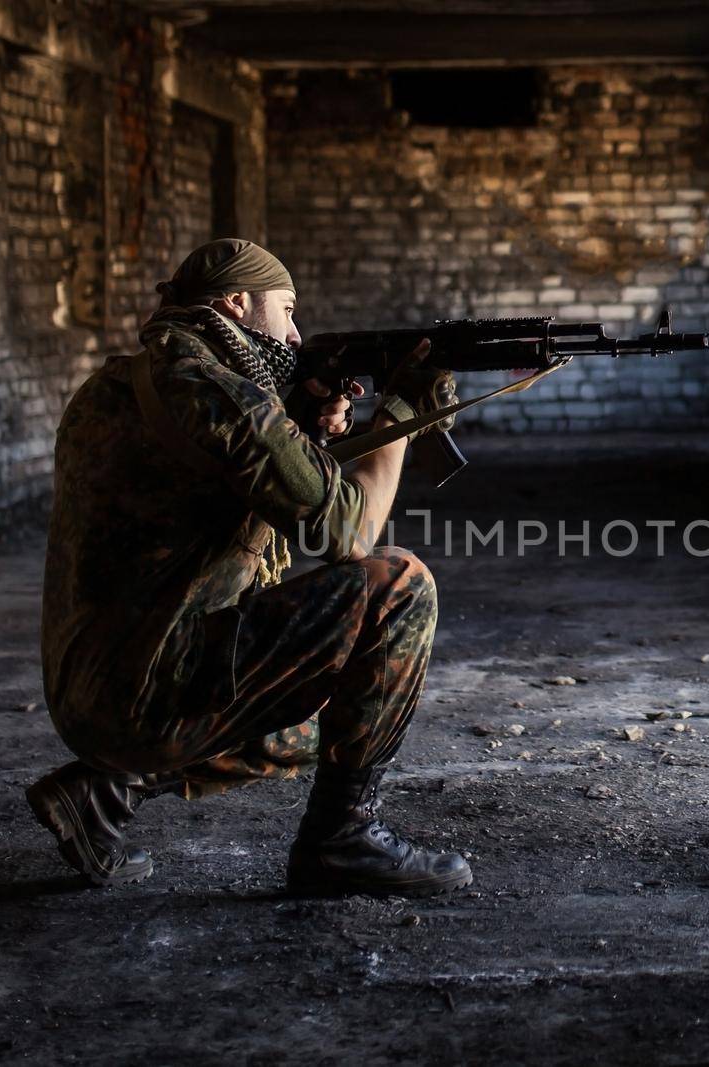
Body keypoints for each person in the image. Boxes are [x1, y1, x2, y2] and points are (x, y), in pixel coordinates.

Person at [27, 238, 470, 898]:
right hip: (146, 695)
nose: (295, 334)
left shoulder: (118, 383)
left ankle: (107, 791)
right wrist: (403, 415)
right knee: (399, 584)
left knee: (344, 715)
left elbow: (202, 476)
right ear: (237, 302)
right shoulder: (217, 392)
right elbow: (349, 532)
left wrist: (297, 430)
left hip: (88, 691)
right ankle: (342, 838)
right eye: (286, 310)